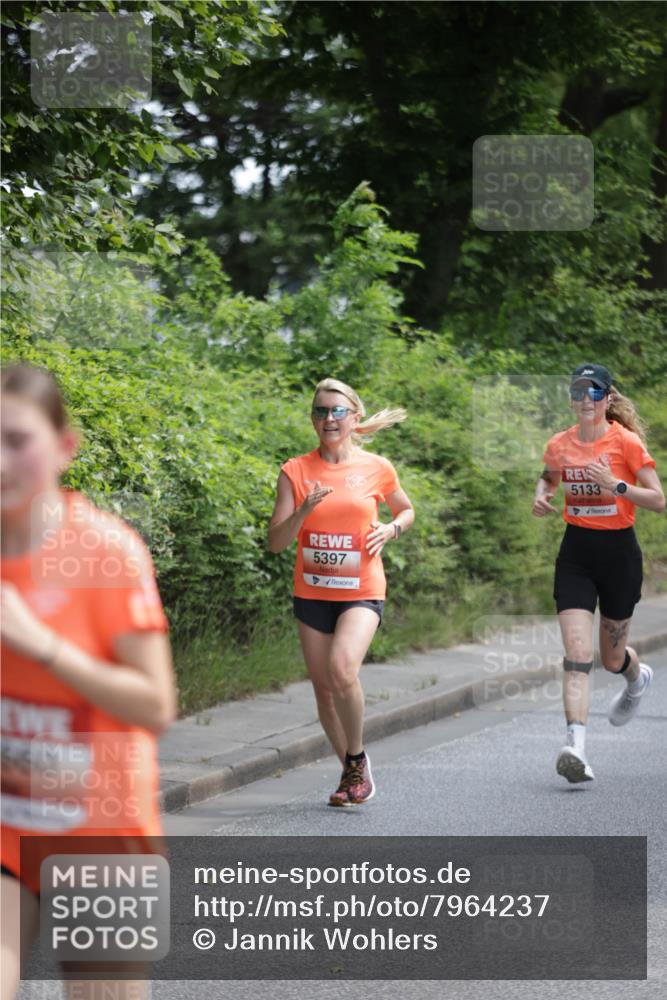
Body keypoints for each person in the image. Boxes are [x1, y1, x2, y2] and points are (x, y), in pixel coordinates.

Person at [1, 363, 177, 998]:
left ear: (64, 448)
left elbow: (155, 705)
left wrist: (44, 646)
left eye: (16, 440)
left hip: (99, 831)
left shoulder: (105, 552)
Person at [268, 377, 414, 807]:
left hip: (361, 589)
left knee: (342, 669)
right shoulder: (294, 471)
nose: (328, 418)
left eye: (337, 411)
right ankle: (354, 771)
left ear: (354, 416)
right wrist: (303, 511)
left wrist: (391, 529)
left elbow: (405, 509)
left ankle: (355, 758)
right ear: (312, 419)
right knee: (323, 689)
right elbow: (276, 542)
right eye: (320, 411)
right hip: (313, 592)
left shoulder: (377, 467)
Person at [532, 363, 664, 784]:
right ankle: (576, 747)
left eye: (593, 392)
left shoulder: (626, 442)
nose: (584, 399)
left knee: (611, 659)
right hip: (576, 554)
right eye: (578, 391)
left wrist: (616, 486)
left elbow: (658, 499)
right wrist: (542, 495)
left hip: (619, 556)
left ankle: (635, 675)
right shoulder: (560, 443)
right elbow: (548, 478)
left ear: (607, 399)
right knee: (577, 653)